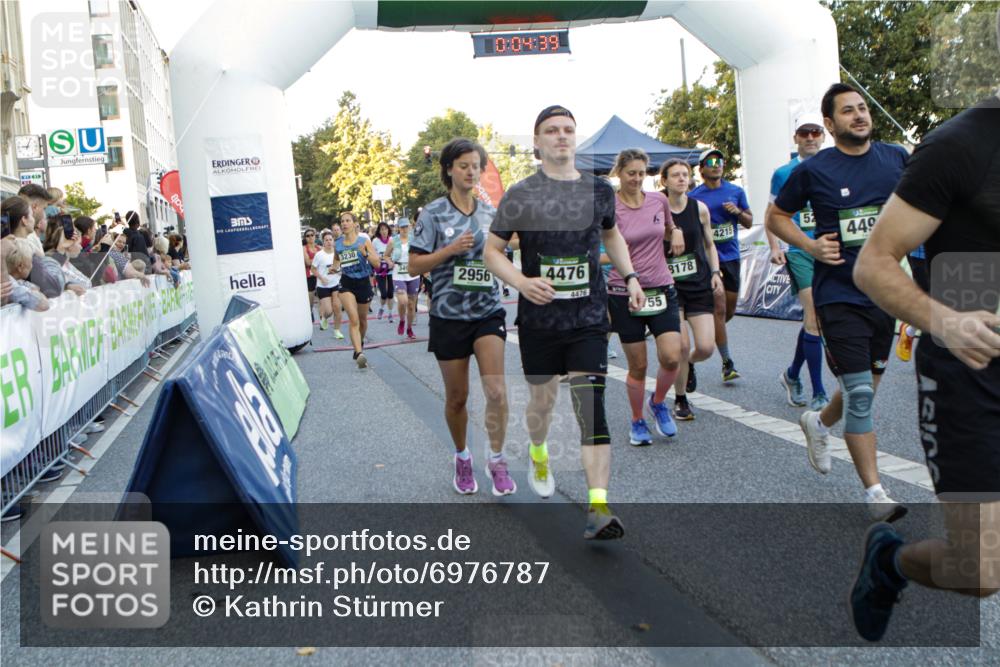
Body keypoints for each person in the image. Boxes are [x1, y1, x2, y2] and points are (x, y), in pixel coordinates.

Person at [848, 82, 1000, 641]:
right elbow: (875, 264)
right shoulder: (961, 145)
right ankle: (890, 562)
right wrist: (947, 321)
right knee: (981, 570)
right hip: (973, 372)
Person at [485, 105, 644, 540]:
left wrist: (629, 276)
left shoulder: (599, 192)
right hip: (539, 321)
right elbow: (492, 251)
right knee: (542, 406)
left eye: (568, 130)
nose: (561, 136)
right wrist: (522, 281)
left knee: (591, 408)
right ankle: (538, 451)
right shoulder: (520, 194)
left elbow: (610, 233)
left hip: (589, 317)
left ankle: (598, 506)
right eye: (551, 131)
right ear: (536, 143)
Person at [767, 82, 908, 521]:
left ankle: (819, 421)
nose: (859, 116)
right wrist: (809, 247)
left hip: (885, 292)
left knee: (863, 389)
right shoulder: (814, 171)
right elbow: (776, 216)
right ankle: (875, 493)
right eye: (848, 111)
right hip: (839, 294)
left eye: (863, 108)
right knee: (861, 393)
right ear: (830, 124)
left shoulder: (897, 159)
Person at [409, 138, 513, 496]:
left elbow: (508, 252)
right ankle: (462, 456)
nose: (471, 171)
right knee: (457, 398)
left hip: (487, 312)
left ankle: (497, 460)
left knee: (497, 391)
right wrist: (450, 250)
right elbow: (413, 264)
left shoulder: (490, 214)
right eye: (464, 165)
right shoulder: (433, 213)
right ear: (449, 169)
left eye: (476, 166)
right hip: (448, 317)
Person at [605, 148, 684, 445]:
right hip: (623, 292)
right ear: (619, 174)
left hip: (662, 287)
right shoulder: (611, 208)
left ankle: (658, 401)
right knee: (638, 366)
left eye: (642, 173)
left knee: (672, 357)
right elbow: (607, 247)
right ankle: (637, 420)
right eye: (631, 174)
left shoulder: (658, 200)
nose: (637, 179)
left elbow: (667, 228)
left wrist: (674, 231)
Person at [765, 113, 830, 410]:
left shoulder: (833, 166)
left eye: (815, 132)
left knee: (815, 321)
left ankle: (792, 374)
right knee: (814, 316)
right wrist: (775, 246)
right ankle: (819, 392)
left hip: (830, 250)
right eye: (804, 133)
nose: (810, 138)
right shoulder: (783, 173)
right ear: (796, 138)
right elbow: (772, 214)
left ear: (824, 135)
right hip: (800, 250)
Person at [660, 159, 723, 420]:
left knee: (706, 347)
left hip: (698, 282)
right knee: (682, 346)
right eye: (675, 175)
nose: (681, 179)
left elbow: (709, 244)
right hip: (670, 286)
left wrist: (716, 272)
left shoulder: (700, 209)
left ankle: (691, 365)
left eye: (685, 174)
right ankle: (680, 399)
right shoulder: (657, 209)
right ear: (664, 181)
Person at [689, 148, 752, 384]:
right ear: (702, 168)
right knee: (719, 307)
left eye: (720, 161)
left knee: (728, 311)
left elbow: (749, 219)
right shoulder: (694, 196)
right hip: (708, 260)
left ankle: (708, 329)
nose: (716, 165)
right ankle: (727, 363)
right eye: (711, 161)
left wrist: (737, 212)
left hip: (732, 256)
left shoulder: (735, 191)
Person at [335, 211, 380, 367]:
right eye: (342, 221)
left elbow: (377, 264)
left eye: (348, 220)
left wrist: (365, 254)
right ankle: (359, 353)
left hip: (363, 283)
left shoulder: (364, 241)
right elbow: (336, 259)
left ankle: (359, 344)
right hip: (346, 283)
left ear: (355, 224)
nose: (344, 223)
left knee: (362, 320)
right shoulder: (338, 243)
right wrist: (334, 268)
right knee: (353, 319)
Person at [387, 218, 419, 338]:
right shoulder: (393, 241)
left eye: (407, 226)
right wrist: (389, 261)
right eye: (402, 227)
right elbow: (386, 256)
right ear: (398, 228)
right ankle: (401, 320)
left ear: (410, 227)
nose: (405, 229)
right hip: (398, 274)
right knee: (403, 301)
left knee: (411, 305)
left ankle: (409, 329)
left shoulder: (415, 240)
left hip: (413, 274)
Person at [2, 238, 49, 311]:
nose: (32, 266)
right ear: (20, 266)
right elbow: (43, 305)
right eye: (31, 261)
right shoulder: (10, 285)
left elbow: (35, 288)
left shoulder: (18, 282)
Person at [312, 230, 344, 337]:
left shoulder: (338, 253)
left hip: (336, 284)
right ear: (323, 242)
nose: (329, 242)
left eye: (331, 239)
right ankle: (324, 318)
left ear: (333, 241)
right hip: (323, 285)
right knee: (329, 311)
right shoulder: (319, 255)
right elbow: (313, 269)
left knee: (338, 308)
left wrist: (338, 272)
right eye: (326, 240)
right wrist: (321, 278)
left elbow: (342, 268)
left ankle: (337, 331)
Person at [16, 183, 53, 256]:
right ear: (35, 207)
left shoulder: (28, 235)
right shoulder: (26, 240)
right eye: (44, 208)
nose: (44, 214)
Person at [371, 222, 395, 322]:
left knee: (390, 293)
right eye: (382, 229)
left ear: (388, 230)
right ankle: (381, 308)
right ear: (379, 231)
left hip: (390, 269)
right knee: (384, 294)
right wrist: (379, 257)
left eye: (385, 229)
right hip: (380, 270)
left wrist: (392, 259)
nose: (384, 231)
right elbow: (372, 255)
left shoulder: (392, 240)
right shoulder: (375, 241)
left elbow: (396, 253)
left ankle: (390, 314)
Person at [303, 229, 319, 321]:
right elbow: (308, 262)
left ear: (315, 236)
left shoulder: (319, 247)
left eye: (312, 235)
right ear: (305, 238)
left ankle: (322, 316)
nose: (310, 237)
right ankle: (310, 311)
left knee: (322, 297)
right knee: (311, 298)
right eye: (307, 236)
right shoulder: (304, 248)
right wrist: (319, 259)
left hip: (320, 275)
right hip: (310, 275)